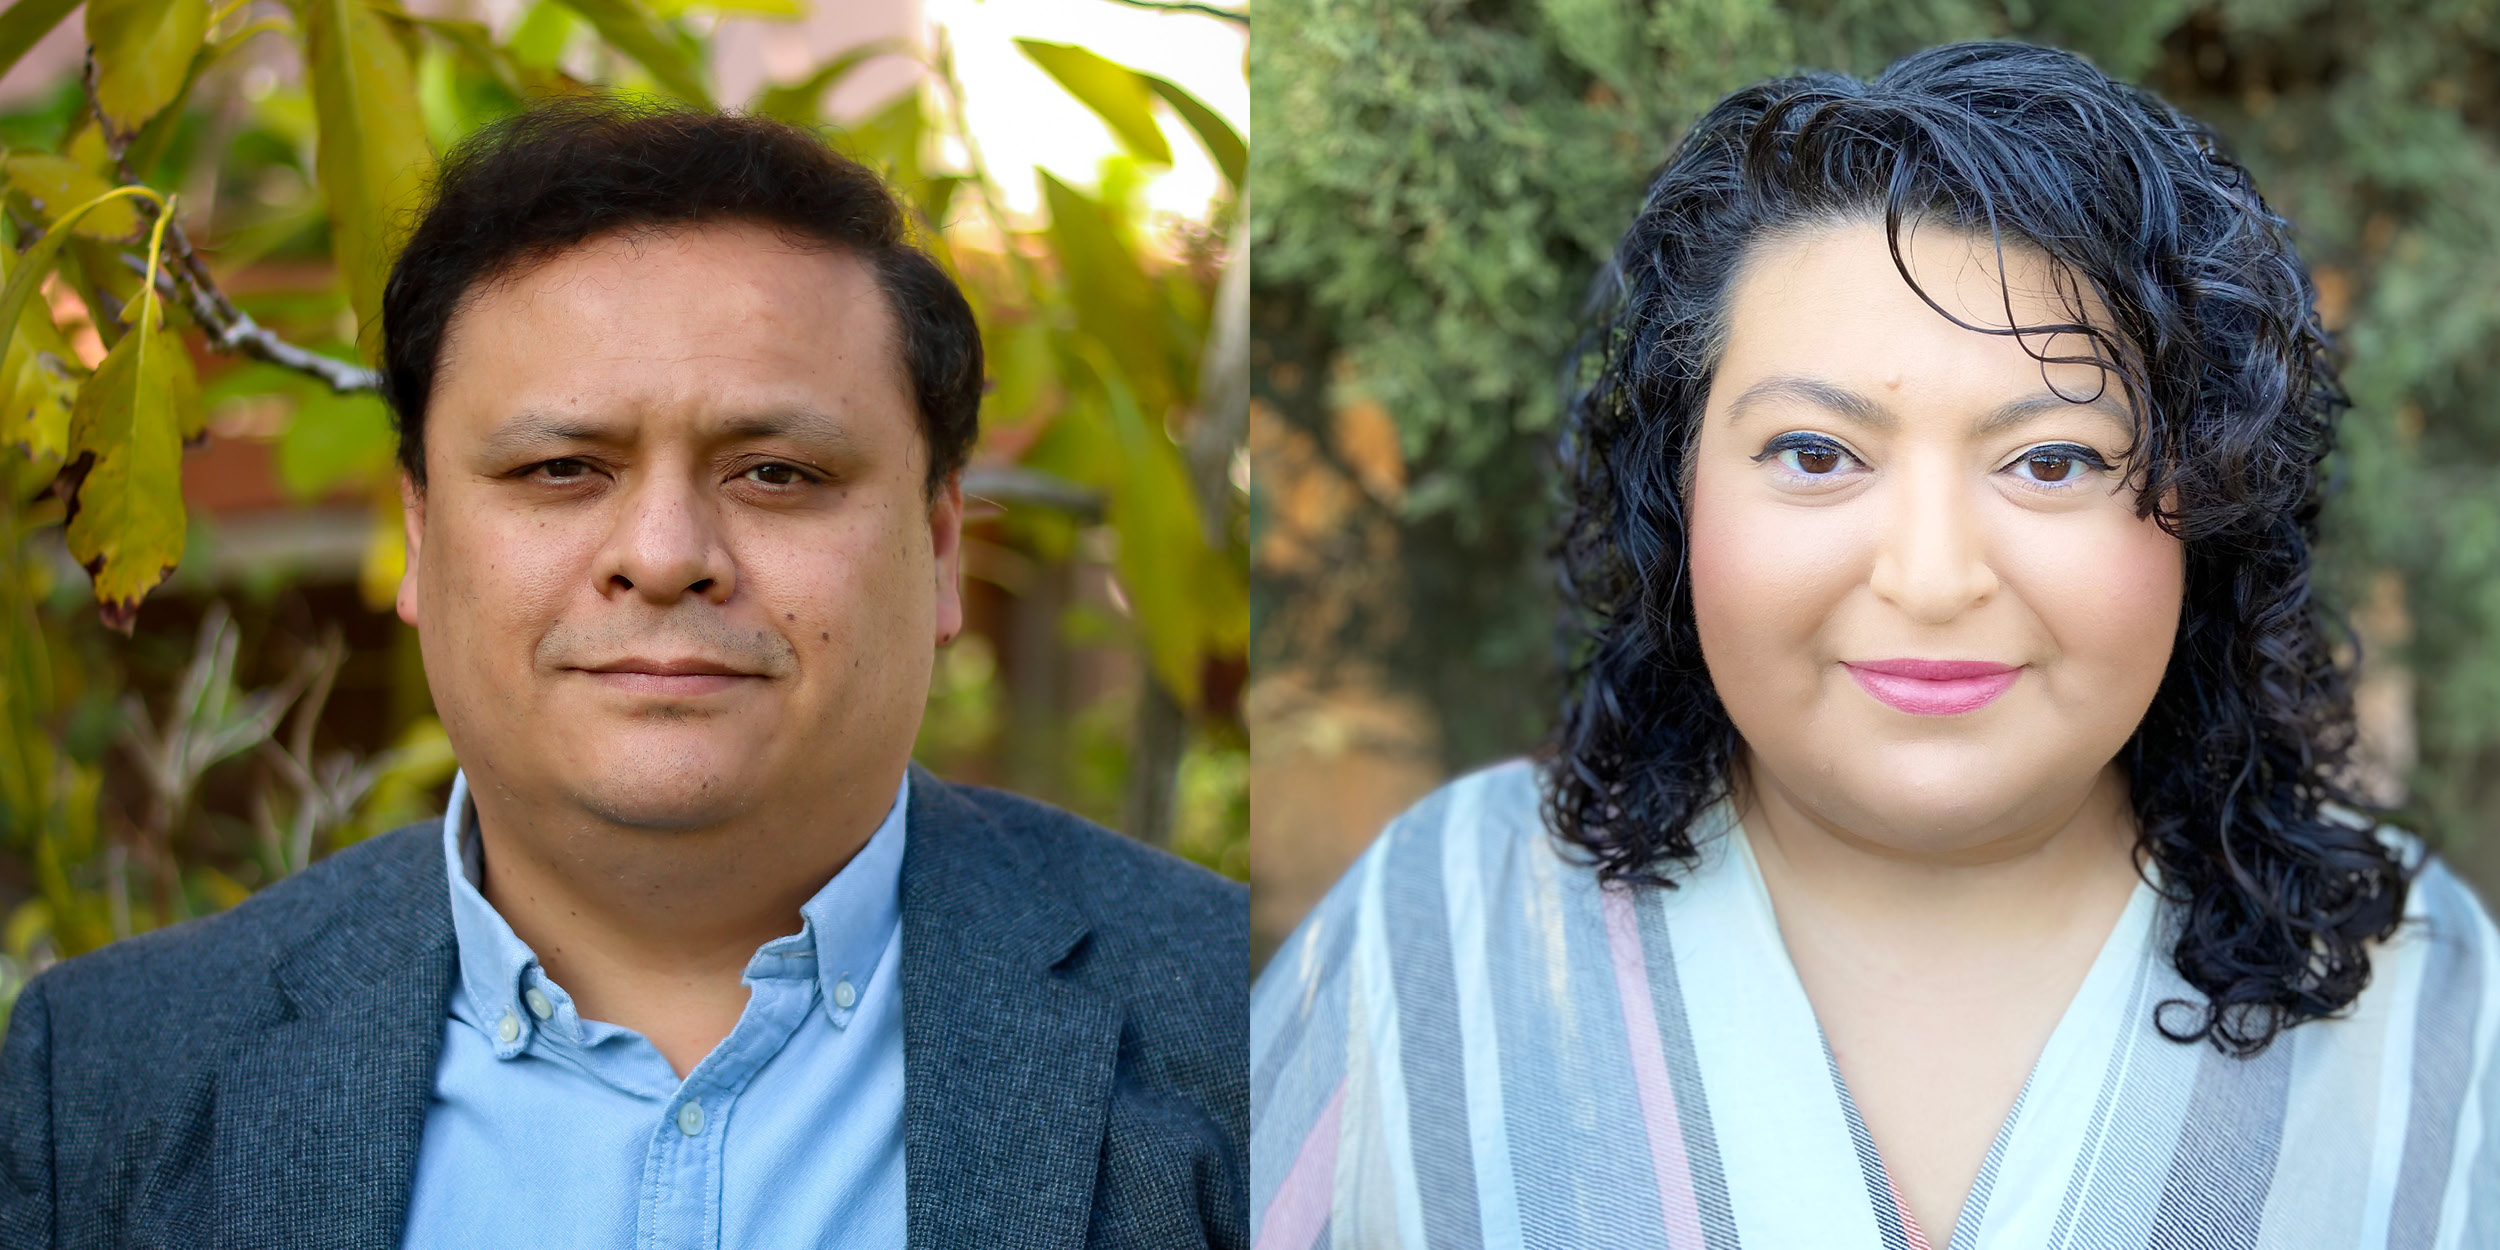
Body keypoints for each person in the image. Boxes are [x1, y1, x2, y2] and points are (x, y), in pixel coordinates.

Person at [1252, 41, 2499, 1249]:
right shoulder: (1439, 926)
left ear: (2211, 512)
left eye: (2051, 460)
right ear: (1676, 495)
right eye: (1814, 454)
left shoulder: (2426, 989)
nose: (1931, 575)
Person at [0, 100, 1245, 1249]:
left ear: (935, 547)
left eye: (775, 473)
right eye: (562, 469)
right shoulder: (107, 1080)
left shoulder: (1265, 1032)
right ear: (423, 538)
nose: (663, 558)